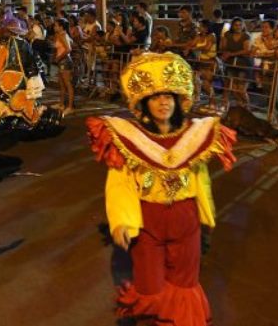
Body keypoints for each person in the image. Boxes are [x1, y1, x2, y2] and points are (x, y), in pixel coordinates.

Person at [85, 52, 237, 325]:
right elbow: (119, 183)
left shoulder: (196, 133)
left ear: (178, 99)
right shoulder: (126, 137)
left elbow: (201, 180)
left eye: (168, 95)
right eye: (155, 96)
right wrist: (121, 222)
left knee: (184, 282)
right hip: (148, 223)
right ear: (144, 102)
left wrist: (206, 214)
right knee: (149, 283)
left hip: (186, 220)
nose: (163, 102)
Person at [220, 17, 252, 109]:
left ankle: (247, 107)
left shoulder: (246, 36)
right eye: (236, 25)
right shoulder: (227, 34)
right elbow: (223, 48)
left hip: (243, 64)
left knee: (241, 89)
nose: (238, 27)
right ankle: (240, 106)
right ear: (232, 26)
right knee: (233, 88)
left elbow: (247, 50)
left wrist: (231, 53)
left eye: (240, 25)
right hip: (231, 63)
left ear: (243, 26)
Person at [53, 18, 74, 115]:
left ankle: (70, 106)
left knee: (67, 85)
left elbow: (68, 49)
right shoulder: (61, 35)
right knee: (62, 85)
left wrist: (59, 58)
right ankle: (62, 104)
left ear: (61, 27)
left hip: (64, 61)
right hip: (62, 61)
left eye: (56, 25)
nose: (54, 27)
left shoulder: (63, 35)